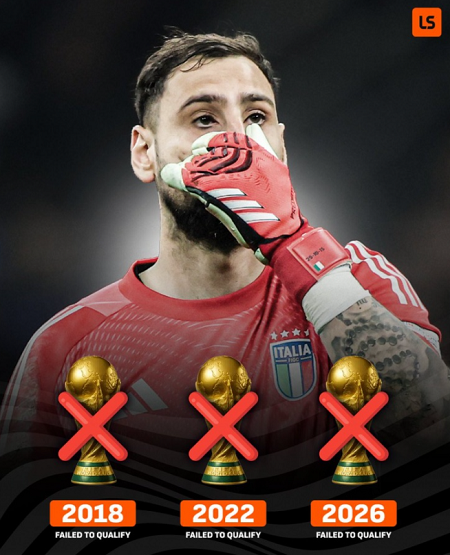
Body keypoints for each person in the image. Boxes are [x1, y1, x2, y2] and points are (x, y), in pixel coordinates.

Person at [1, 30, 449, 548]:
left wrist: (292, 242)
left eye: (256, 117)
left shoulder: (358, 280)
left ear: (280, 147)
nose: (237, 140)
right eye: (204, 119)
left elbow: (435, 439)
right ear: (145, 153)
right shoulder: (66, 345)